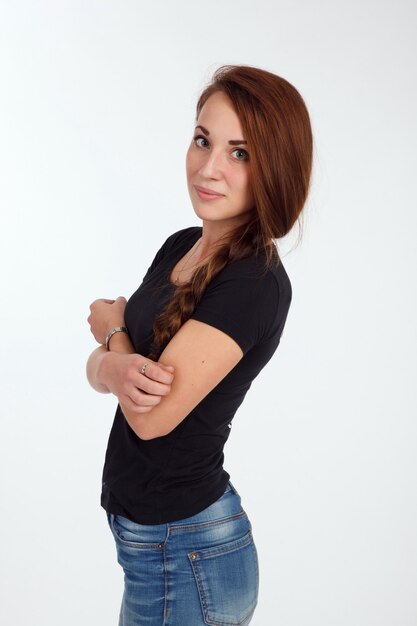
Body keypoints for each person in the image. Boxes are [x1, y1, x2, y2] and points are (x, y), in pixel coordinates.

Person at [86, 64, 313, 626]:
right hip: (159, 546)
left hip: (188, 553)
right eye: (202, 140)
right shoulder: (180, 245)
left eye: (240, 153)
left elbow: (150, 417)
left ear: (275, 168)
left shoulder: (253, 282)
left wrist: (111, 339)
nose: (209, 168)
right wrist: (109, 365)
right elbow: (115, 374)